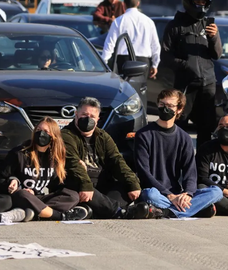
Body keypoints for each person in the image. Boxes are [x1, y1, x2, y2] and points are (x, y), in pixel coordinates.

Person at [62, 97, 155, 219]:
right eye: (84, 114)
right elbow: (73, 164)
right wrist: (86, 186)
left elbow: (117, 160)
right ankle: (121, 212)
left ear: (97, 119)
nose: (87, 119)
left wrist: (132, 183)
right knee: (80, 188)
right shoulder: (65, 135)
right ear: (76, 115)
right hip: (80, 183)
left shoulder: (103, 136)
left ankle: (90, 210)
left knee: (126, 188)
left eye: (92, 116)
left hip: (102, 184)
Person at [135, 89, 223, 218]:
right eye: (162, 104)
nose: (165, 109)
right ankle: (191, 210)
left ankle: (167, 212)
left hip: (177, 193)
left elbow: (190, 172)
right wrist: (169, 196)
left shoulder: (184, 137)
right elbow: (144, 172)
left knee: (216, 192)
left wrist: (187, 194)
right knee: (150, 195)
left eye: (170, 106)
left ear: (179, 109)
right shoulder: (144, 134)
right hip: (155, 192)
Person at [161, 0, 222, 147]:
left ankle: (201, 168)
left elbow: (217, 54)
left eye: (204, 2)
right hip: (185, 86)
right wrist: (185, 65)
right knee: (179, 126)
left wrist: (214, 37)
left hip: (208, 85)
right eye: (198, 2)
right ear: (189, 1)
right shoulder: (174, 26)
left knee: (207, 128)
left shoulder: (209, 25)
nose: (201, 5)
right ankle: (177, 163)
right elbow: (165, 56)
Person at [0, 117, 89, 221]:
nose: (41, 134)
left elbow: (60, 185)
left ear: (53, 136)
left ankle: (34, 213)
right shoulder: (19, 153)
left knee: (72, 196)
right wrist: (13, 182)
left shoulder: (55, 157)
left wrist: (79, 171)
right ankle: (61, 216)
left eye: (46, 132)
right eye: (38, 130)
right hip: (20, 196)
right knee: (23, 194)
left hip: (38, 198)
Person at [102, 0, 160, 81]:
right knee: (140, 90)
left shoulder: (118, 21)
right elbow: (155, 45)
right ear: (138, 3)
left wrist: (104, 62)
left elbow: (109, 44)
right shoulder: (149, 22)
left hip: (123, 61)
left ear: (124, 4)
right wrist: (155, 64)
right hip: (143, 61)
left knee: (123, 91)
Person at [196, 115, 228, 215]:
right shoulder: (206, 149)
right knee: (202, 187)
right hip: (214, 193)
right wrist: (224, 191)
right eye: (221, 126)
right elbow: (201, 178)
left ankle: (210, 208)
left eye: (227, 126)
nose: (224, 129)